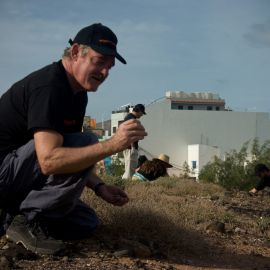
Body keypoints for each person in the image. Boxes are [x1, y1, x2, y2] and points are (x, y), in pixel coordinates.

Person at [0, 23, 147, 255]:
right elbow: (49, 160)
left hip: (19, 175)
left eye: (110, 67)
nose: (105, 73)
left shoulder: (78, 94)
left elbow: (71, 157)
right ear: (76, 52)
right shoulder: (50, 86)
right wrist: (112, 145)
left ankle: (11, 216)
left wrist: (99, 187)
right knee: (87, 141)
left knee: (86, 222)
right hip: (4, 173)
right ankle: (25, 220)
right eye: (100, 62)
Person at [122, 104, 146, 179]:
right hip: (130, 147)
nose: (142, 115)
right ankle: (127, 186)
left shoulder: (129, 117)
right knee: (130, 169)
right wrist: (133, 147)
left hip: (128, 146)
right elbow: (130, 133)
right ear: (139, 111)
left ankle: (127, 185)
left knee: (130, 169)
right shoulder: (131, 119)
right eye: (142, 113)